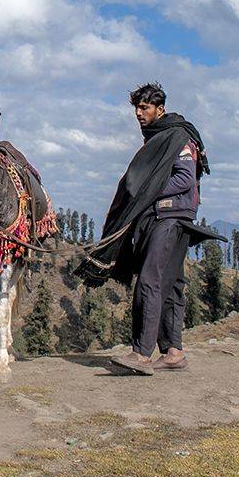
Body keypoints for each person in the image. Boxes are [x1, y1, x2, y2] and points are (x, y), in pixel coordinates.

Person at [98, 82, 218, 376]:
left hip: (171, 218)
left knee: (150, 280)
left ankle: (141, 354)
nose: (139, 114)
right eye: (136, 109)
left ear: (159, 109)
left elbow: (185, 179)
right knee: (171, 284)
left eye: (144, 108)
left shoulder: (177, 137)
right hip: (166, 217)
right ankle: (173, 352)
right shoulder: (159, 137)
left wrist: (148, 191)